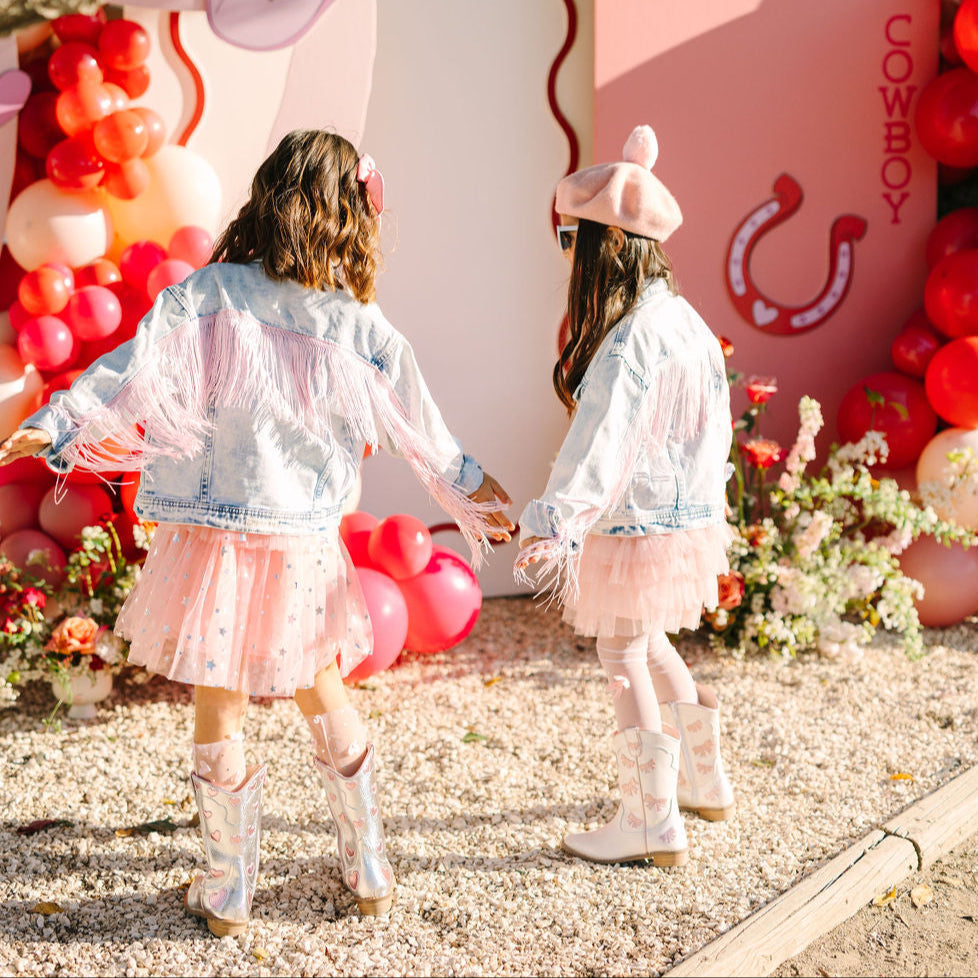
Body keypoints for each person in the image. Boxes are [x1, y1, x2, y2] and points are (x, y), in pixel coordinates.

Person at [0, 129, 514, 935]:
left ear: (268, 200)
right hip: (302, 538)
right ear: (348, 216)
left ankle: (228, 887)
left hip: (215, 535)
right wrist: (473, 485)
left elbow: (134, 368)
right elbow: (420, 422)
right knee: (320, 680)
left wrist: (57, 421)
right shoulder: (356, 322)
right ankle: (368, 863)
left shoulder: (209, 293)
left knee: (220, 696)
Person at [515, 124, 734, 867]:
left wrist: (554, 520)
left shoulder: (630, 338)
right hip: (685, 518)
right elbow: (715, 431)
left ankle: (649, 820)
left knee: (621, 650)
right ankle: (704, 779)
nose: (566, 258)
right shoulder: (688, 322)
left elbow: (599, 442)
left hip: (635, 520)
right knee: (650, 641)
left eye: (569, 241)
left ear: (604, 246)